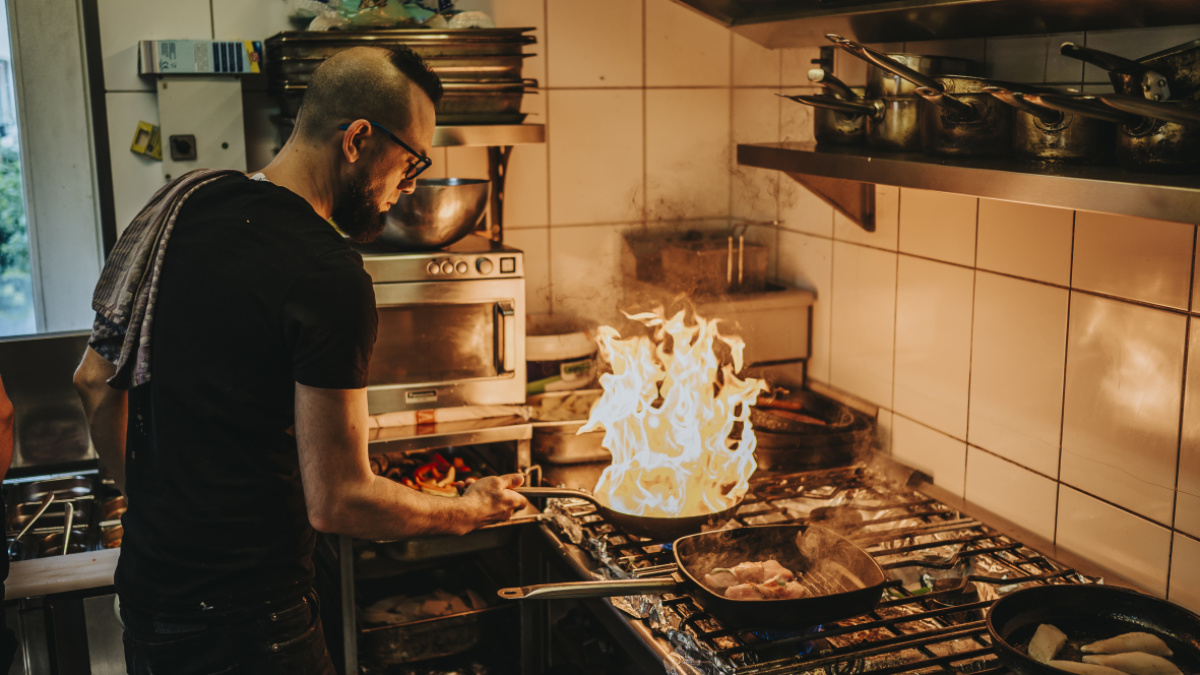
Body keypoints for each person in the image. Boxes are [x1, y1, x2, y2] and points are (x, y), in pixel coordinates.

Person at [72, 45, 527, 675]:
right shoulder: (327, 274)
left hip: (152, 603)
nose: (410, 183)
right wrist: (466, 511)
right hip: (251, 625)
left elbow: (94, 381)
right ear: (358, 139)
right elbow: (340, 500)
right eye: (412, 161)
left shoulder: (182, 208)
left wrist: (163, 510)